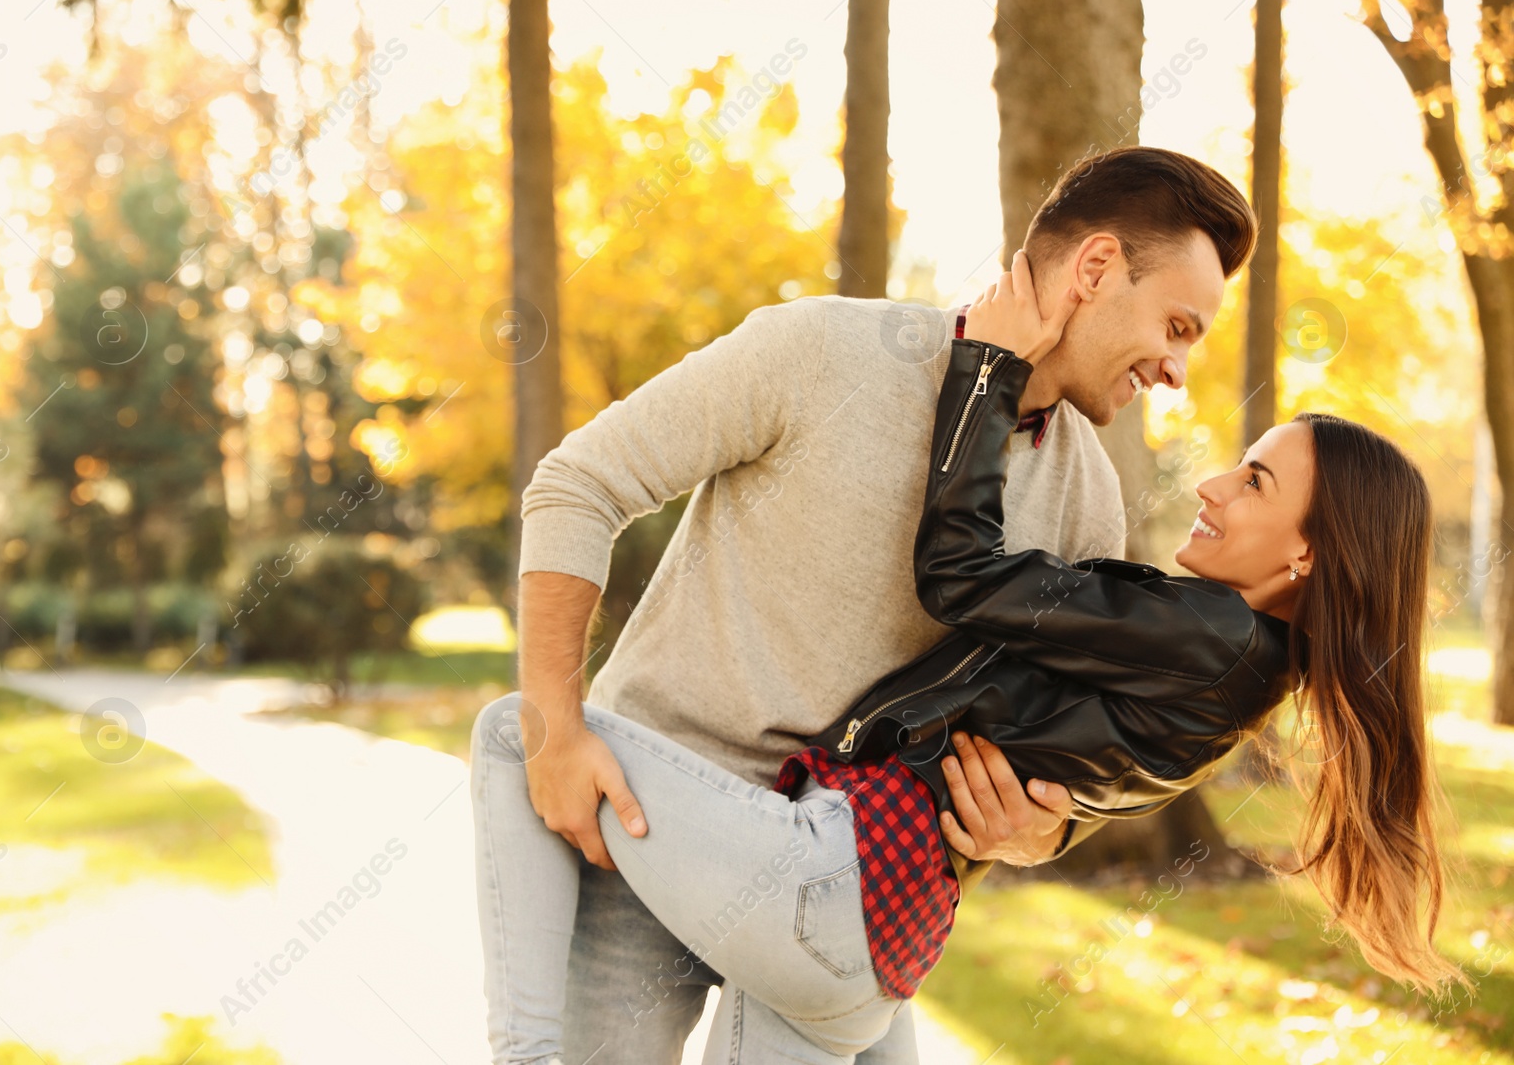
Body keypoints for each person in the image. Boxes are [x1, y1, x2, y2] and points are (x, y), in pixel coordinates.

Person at [473, 252, 1465, 1063]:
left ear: (1305, 555)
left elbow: (961, 576)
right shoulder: (1228, 656)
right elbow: (1079, 751)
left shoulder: (1202, 624)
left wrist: (982, 373)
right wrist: (1043, 823)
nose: (1210, 477)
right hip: (878, 924)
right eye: (1174, 326)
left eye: (1252, 480)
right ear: (1095, 268)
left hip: (825, 868)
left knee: (508, 734)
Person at [501, 146, 1255, 1064]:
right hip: (645, 831)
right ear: (1096, 269)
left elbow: (1072, 725)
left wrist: (1045, 827)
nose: (1177, 368)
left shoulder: (1087, 500)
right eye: (1176, 325)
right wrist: (552, 728)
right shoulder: (823, 350)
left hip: (841, 878)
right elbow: (577, 486)